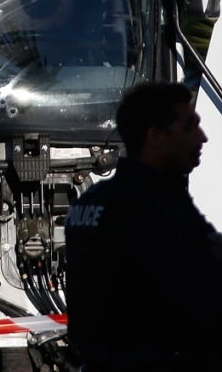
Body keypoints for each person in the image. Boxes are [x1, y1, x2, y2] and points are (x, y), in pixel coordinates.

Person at [65, 81, 222, 371]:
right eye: (189, 127)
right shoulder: (156, 208)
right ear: (156, 137)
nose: (202, 138)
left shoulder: (89, 203)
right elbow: (202, 303)